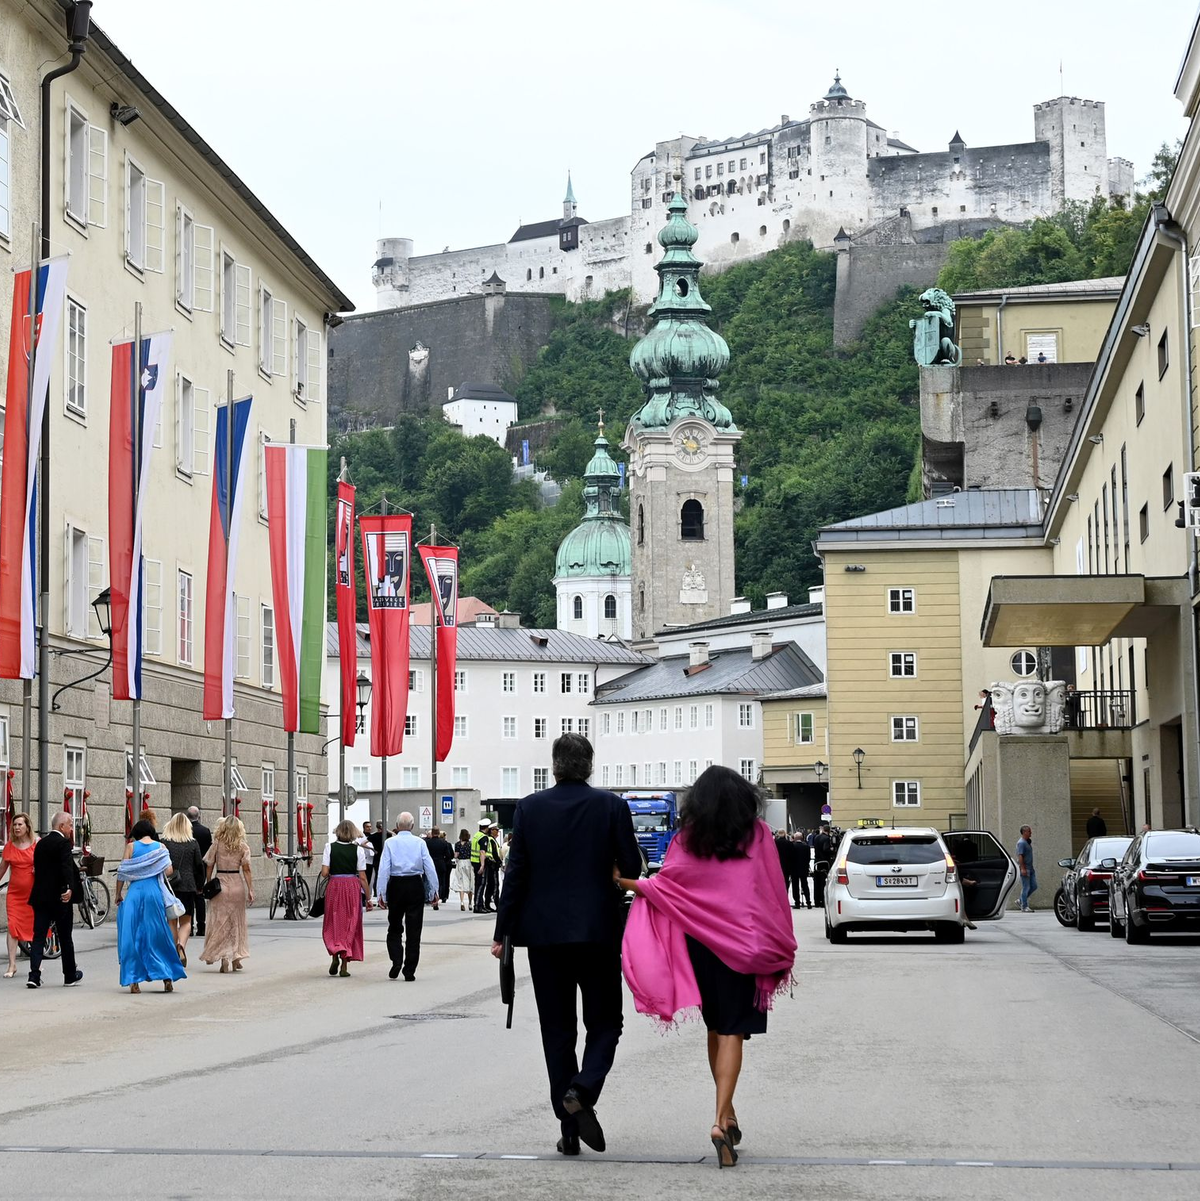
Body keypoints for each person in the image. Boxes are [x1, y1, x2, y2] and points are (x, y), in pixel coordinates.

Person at [618, 766, 796, 1169]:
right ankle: (719, 1121)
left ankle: (728, 1114)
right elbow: (771, 890)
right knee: (734, 1030)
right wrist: (778, 941)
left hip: (701, 945)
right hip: (745, 946)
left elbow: (668, 886)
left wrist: (626, 882)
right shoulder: (759, 836)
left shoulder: (686, 840)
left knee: (717, 1028)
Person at [492, 733, 642, 1158]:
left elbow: (515, 873)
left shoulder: (529, 808)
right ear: (589, 766)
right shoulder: (612, 806)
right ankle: (583, 1089)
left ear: (554, 766)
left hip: (544, 938)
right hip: (597, 932)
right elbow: (631, 866)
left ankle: (570, 1129)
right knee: (606, 1024)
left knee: (557, 1032)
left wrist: (502, 933)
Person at [115, 818, 187, 994]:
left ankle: (134, 980)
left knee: (132, 935)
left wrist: (118, 894)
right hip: (153, 893)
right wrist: (153, 867)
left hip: (134, 893)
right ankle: (166, 975)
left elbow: (123, 872)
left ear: (137, 833)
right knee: (158, 933)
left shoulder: (131, 847)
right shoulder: (160, 848)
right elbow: (169, 871)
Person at [376, 812, 439, 981]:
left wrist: (381, 892)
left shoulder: (390, 843)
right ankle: (409, 969)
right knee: (414, 928)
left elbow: (383, 869)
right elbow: (429, 867)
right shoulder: (420, 843)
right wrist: (434, 890)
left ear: (397, 826)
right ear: (412, 826)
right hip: (414, 885)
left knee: (394, 925)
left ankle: (396, 959)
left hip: (396, 885)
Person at [26, 812, 82, 989]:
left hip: (41, 897)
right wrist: (69, 888)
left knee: (38, 937)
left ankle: (34, 976)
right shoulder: (63, 843)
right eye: (70, 825)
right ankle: (70, 975)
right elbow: (66, 867)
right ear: (61, 826)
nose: (72, 829)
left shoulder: (41, 843)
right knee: (65, 937)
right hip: (60, 898)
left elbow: (39, 869)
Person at [200, 816, 254, 972]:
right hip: (237, 884)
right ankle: (236, 957)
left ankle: (224, 957)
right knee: (237, 921)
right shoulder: (243, 846)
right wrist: (250, 889)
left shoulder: (217, 844)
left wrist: (209, 881)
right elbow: (247, 869)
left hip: (220, 884)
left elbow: (209, 865)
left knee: (220, 922)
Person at [320, 820, 372, 977]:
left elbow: (324, 872)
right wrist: (368, 897)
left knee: (334, 921)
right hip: (352, 887)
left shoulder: (330, 847)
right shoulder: (358, 851)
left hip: (335, 886)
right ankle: (344, 964)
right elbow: (362, 876)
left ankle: (335, 954)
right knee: (350, 922)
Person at [160, 811, 205, 967]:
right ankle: (181, 947)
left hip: (169, 886)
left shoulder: (164, 842)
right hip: (188, 885)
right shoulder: (192, 843)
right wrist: (200, 885)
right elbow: (199, 866)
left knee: (172, 920)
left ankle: (173, 952)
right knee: (186, 921)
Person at [1, 813, 37, 977]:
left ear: (27, 827)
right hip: (14, 895)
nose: (16, 827)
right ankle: (12, 965)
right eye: (14, 825)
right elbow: (2, 870)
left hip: (33, 894)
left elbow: (46, 865)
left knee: (35, 928)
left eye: (20, 825)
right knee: (12, 926)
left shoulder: (37, 844)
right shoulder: (10, 846)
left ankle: (36, 964)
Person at [188, 806, 213, 936]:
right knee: (199, 896)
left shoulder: (186, 831)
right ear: (199, 816)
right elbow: (209, 850)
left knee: (189, 897)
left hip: (187, 868)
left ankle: (189, 926)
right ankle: (201, 926)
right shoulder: (205, 831)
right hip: (201, 868)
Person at [427, 827, 454, 903]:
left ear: (432, 833)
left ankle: (432, 896)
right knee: (441, 881)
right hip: (441, 863)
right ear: (438, 833)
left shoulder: (427, 843)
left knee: (430, 880)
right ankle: (441, 896)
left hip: (431, 864)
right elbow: (448, 855)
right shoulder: (444, 843)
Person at [471, 819, 491, 912]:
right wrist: (482, 865)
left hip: (474, 862)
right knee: (481, 884)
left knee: (477, 884)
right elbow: (482, 852)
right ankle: (478, 906)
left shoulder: (476, 835)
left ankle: (479, 904)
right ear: (486, 828)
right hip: (479, 863)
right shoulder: (483, 837)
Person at [1016, 825, 1037, 912]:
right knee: (1026, 887)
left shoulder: (1027, 842)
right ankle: (1024, 906)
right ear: (1024, 832)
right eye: (1029, 831)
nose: (1031, 833)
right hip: (1025, 868)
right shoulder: (1021, 843)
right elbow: (1020, 856)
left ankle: (1020, 900)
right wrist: (1023, 868)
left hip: (1030, 868)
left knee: (1034, 886)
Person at [812, 824, 833, 908]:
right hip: (824, 861)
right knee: (823, 882)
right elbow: (825, 849)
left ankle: (816, 901)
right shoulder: (827, 838)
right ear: (828, 831)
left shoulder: (816, 837)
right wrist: (831, 850)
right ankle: (823, 901)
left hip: (817, 860)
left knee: (817, 881)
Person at [452, 829, 474, 911]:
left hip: (460, 863)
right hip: (469, 863)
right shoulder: (470, 844)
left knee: (460, 883)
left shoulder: (457, 844)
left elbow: (456, 855)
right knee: (470, 882)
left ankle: (461, 902)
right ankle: (470, 903)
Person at [791, 832, 812, 909]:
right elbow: (808, 858)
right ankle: (808, 902)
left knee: (795, 886)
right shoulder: (806, 847)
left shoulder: (792, 846)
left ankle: (797, 903)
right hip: (804, 868)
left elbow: (791, 858)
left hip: (794, 869)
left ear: (795, 838)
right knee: (805, 885)